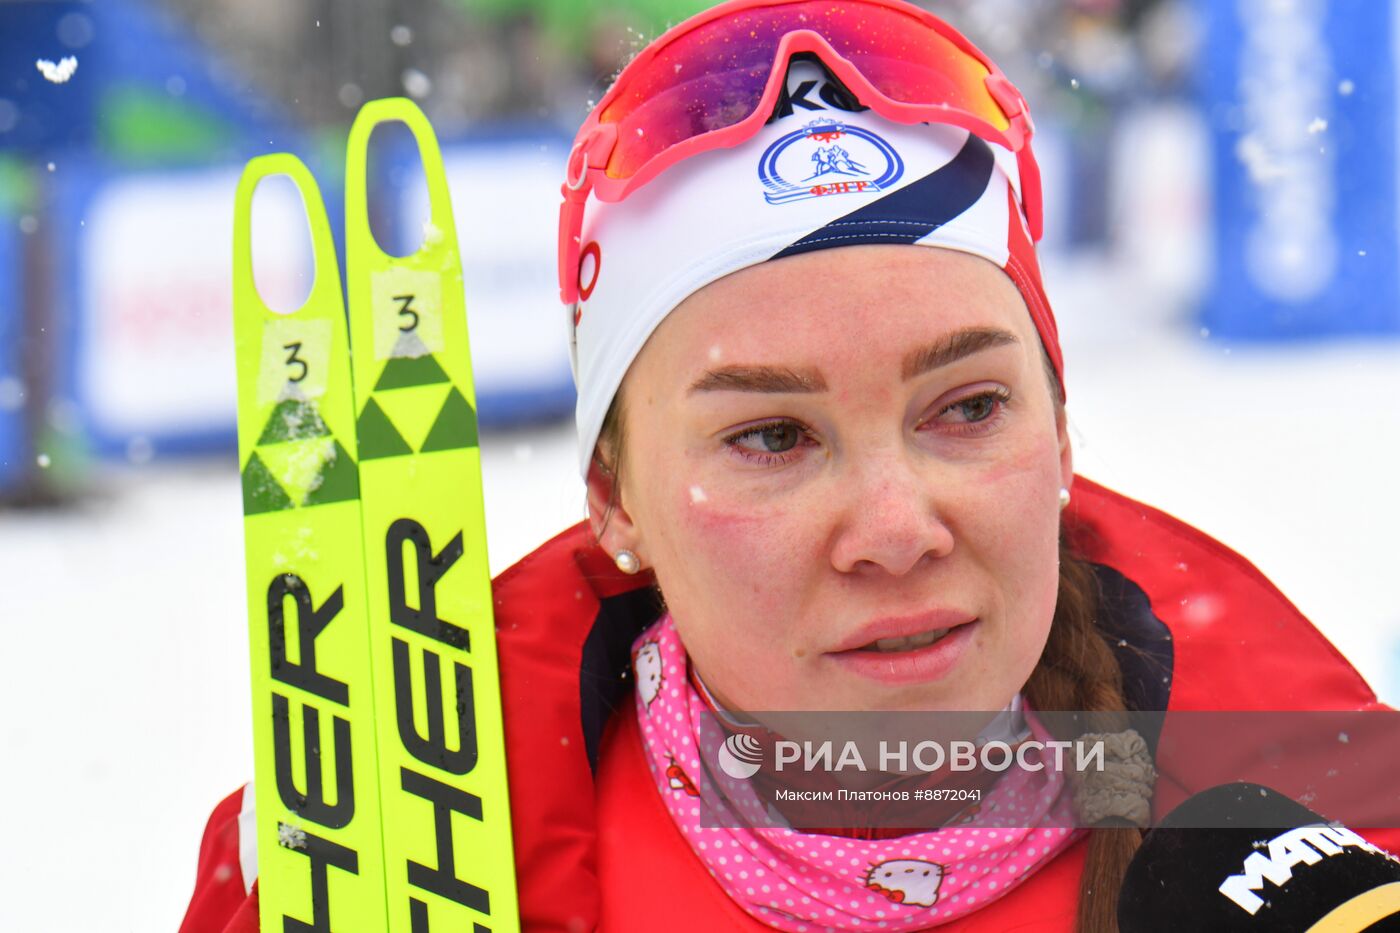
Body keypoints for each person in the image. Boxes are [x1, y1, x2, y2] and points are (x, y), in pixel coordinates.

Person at [182, 2, 1399, 931]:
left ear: (1062, 432)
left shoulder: (1320, 842)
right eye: (771, 437)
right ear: (615, 500)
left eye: (967, 406)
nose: (893, 526)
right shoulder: (393, 854)